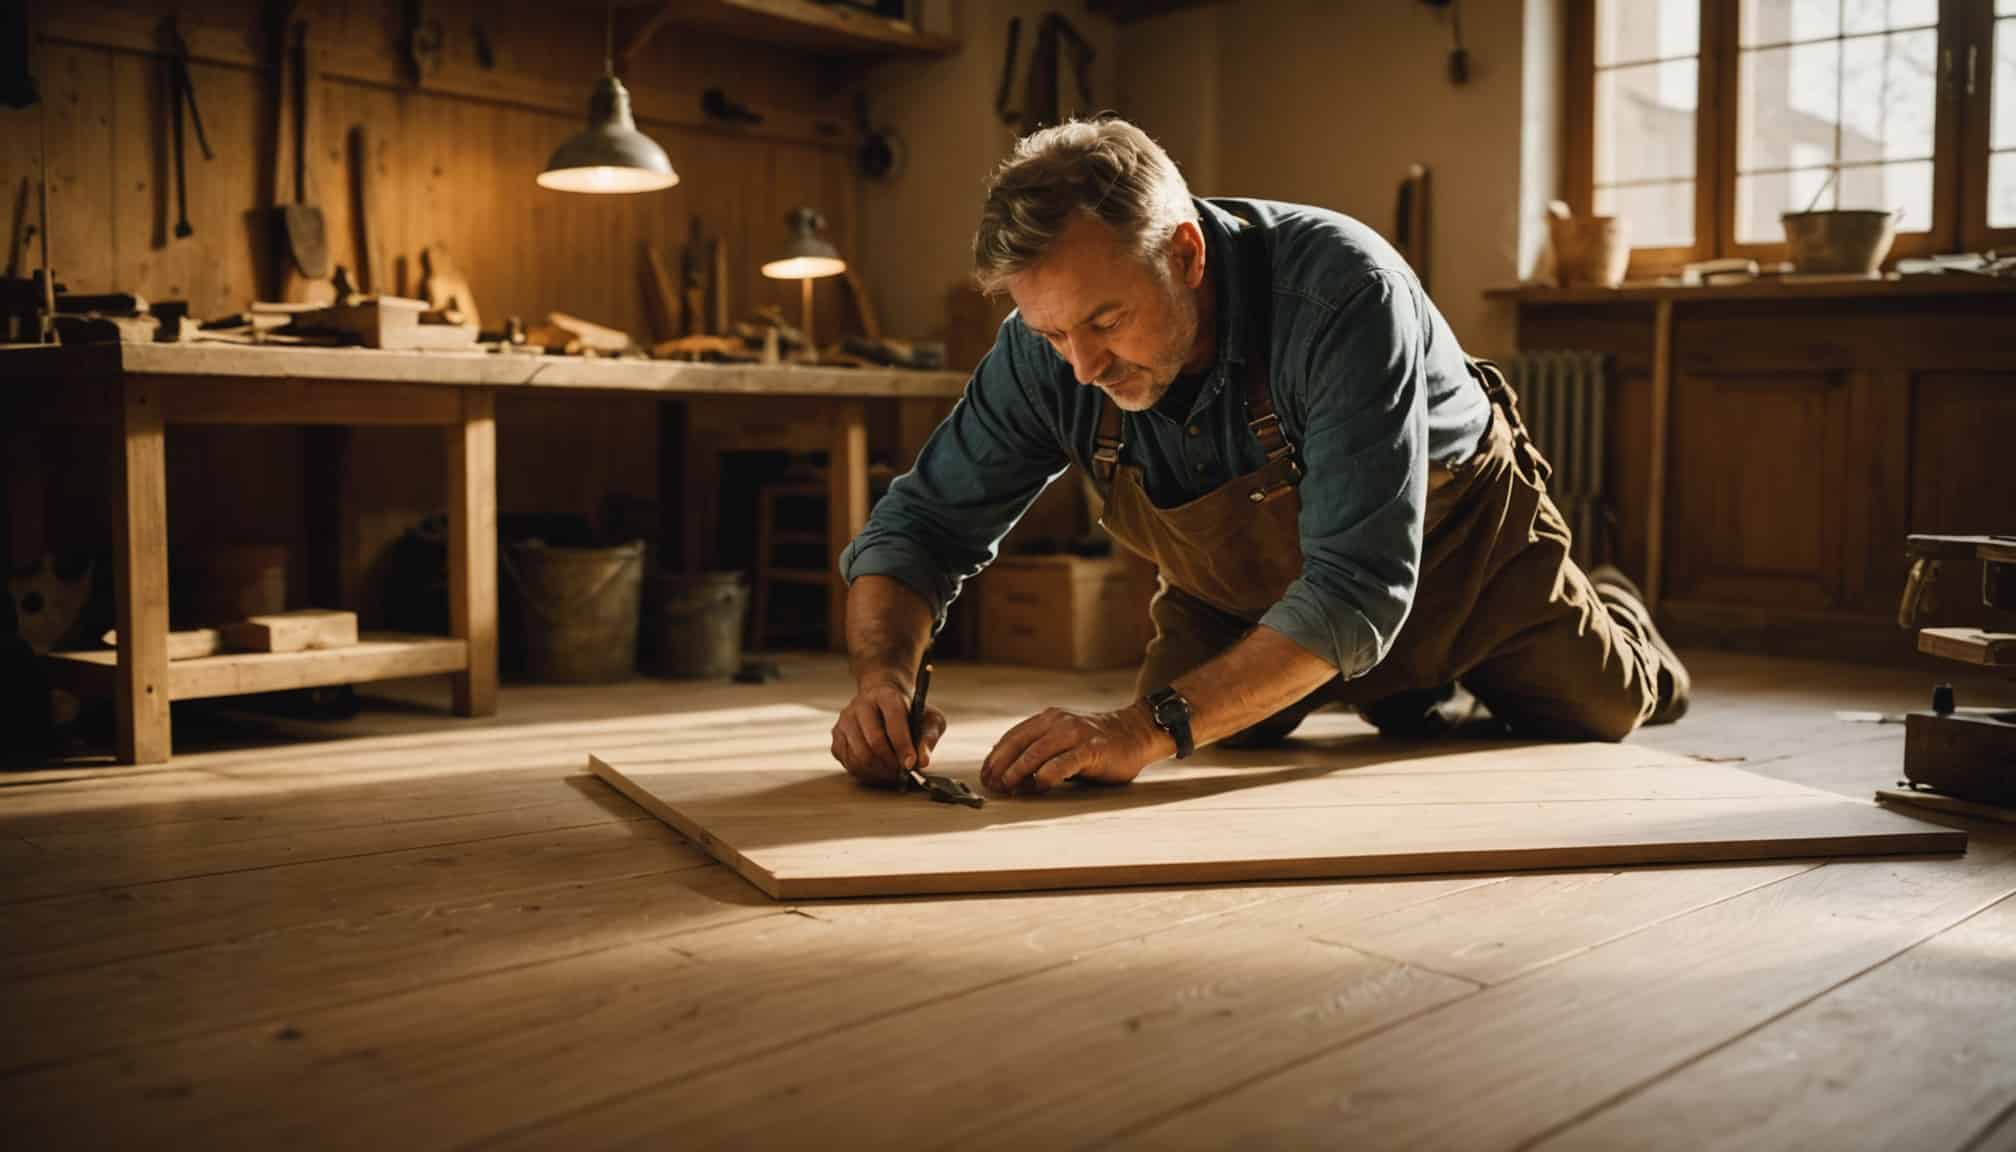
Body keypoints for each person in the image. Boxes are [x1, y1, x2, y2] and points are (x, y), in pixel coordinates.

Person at [829, 116, 1688, 797]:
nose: (1083, 367)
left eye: (1104, 322)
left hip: (1464, 560)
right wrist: (883, 682)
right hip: (1242, 593)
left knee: (1602, 705)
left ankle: (1608, 603)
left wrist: (1139, 729)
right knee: (1207, 730)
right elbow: (922, 527)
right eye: (1053, 333)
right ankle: (1396, 692)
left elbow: (1357, 589)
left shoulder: (1346, 293)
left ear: (1187, 253)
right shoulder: (1046, 349)